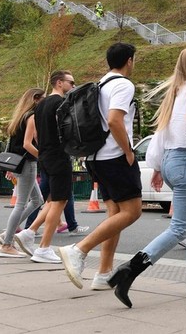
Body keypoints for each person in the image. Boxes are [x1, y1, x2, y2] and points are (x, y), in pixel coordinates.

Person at [105, 47, 186, 308]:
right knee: (179, 227)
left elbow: (160, 134)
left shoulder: (176, 91)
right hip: (185, 164)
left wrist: (158, 167)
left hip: (171, 162)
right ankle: (130, 270)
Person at [56, 43, 142, 292]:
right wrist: (128, 151)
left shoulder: (100, 84)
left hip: (94, 157)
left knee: (114, 214)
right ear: (129, 61)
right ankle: (78, 250)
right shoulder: (123, 84)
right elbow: (116, 120)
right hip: (114, 156)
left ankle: (103, 272)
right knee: (133, 211)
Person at [13, 70, 76, 263]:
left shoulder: (40, 106)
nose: (73, 86)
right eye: (70, 82)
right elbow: (69, 130)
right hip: (59, 156)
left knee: (52, 200)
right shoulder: (60, 103)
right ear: (59, 83)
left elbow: (38, 136)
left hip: (45, 156)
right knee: (60, 201)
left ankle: (29, 232)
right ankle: (44, 248)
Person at [0, 88, 46, 258]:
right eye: (43, 99)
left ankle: (7, 234)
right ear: (36, 99)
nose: (44, 103)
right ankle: (7, 244)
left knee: (38, 200)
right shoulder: (31, 116)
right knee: (21, 203)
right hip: (27, 164)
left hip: (18, 164)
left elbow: (12, 143)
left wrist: (10, 168)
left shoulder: (19, 117)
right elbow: (27, 144)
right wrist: (43, 157)